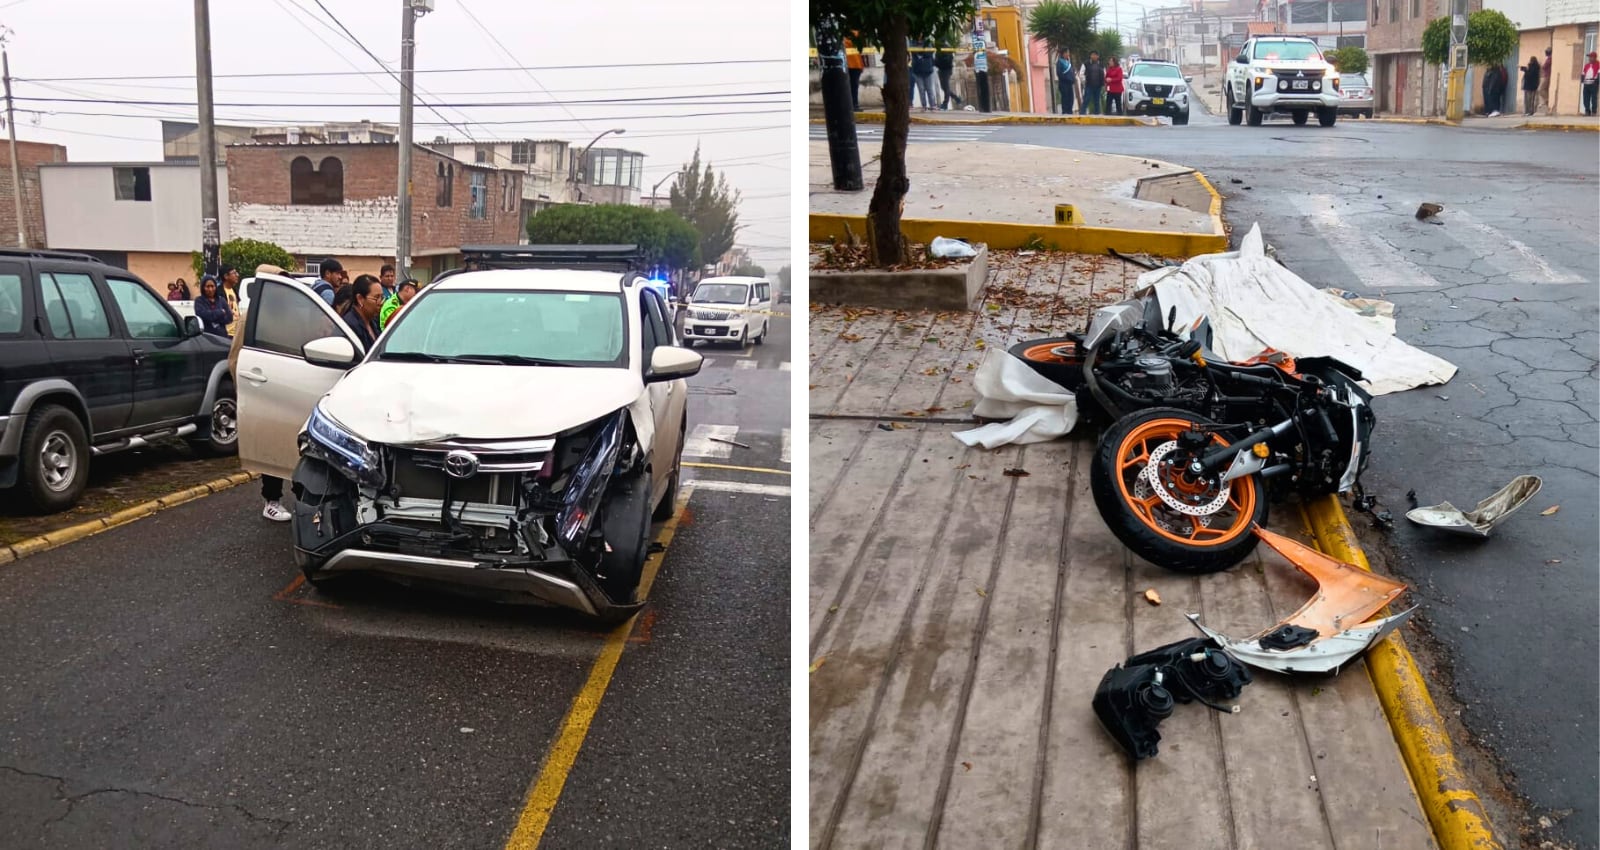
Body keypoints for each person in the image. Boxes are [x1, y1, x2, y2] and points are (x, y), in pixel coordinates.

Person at [226, 274, 291, 523]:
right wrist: (246, 389)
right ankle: (271, 500)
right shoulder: (251, 318)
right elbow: (236, 358)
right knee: (271, 450)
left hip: (288, 390)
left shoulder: (288, 317)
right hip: (265, 391)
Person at [341, 276, 383, 351]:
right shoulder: (350, 326)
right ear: (360, 299)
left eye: (382, 297)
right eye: (376, 298)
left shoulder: (373, 323)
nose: (380, 303)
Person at [911, 40, 937, 110]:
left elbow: (930, 53)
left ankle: (932, 105)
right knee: (921, 90)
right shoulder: (913, 43)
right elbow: (913, 51)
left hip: (928, 70)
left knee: (929, 89)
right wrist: (922, 51)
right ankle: (924, 105)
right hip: (917, 71)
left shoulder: (928, 42)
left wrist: (921, 52)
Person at [935, 45, 963, 110]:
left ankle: (945, 104)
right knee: (943, 87)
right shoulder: (939, 49)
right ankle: (956, 98)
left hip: (946, 70)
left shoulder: (946, 48)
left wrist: (938, 62)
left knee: (946, 87)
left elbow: (947, 60)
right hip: (941, 69)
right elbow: (936, 60)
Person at [219, 265, 242, 337]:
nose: (237, 275)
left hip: (236, 333)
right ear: (226, 276)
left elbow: (237, 308)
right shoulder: (219, 292)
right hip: (226, 334)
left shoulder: (234, 290)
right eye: (234, 273)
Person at [845, 35, 864, 111]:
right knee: (852, 86)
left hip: (855, 64)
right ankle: (853, 105)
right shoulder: (853, 35)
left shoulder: (855, 34)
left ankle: (854, 105)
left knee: (853, 86)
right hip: (851, 65)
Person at [1056, 51, 1077, 115]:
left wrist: (1073, 79)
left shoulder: (1068, 62)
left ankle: (1069, 111)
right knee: (1065, 97)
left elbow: (1072, 72)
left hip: (1069, 83)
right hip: (1063, 83)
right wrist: (1066, 78)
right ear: (1063, 54)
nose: (1068, 54)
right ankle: (1065, 111)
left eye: (1068, 53)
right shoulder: (1060, 62)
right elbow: (1059, 73)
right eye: (1066, 53)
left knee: (1071, 97)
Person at [1582, 51, 1599, 116]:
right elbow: (1583, 73)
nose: (1589, 58)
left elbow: (1599, 74)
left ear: (1594, 58)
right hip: (1586, 83)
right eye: (1589, 57)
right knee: (1585, 98)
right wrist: (1583, 81)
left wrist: (1597, 82)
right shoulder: (1587, 65)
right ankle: (1587, 111)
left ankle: (1594, 112)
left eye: (1591, 57)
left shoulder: (1598, 64)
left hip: (1593, 83)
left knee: (1594, 98)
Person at [1539, 47, 1552, 114]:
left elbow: (1544, 67)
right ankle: (1548, 108)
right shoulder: (1549, 58)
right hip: (1546, 75)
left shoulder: (1549, 59)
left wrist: (1541, 65)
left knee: (1540, 90)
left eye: (1546, 51)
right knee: (1545, 90)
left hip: (1547, 76)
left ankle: (1547, 100)